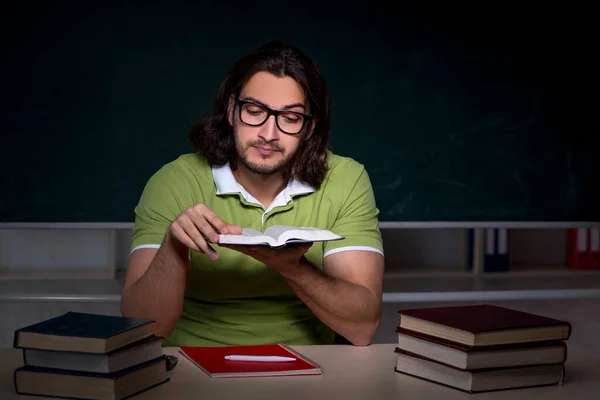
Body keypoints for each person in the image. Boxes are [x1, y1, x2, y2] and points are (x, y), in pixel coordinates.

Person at [120, 40, 385, 347]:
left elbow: (363, 328)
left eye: (290, 118)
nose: (268, 134)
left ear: (309, 129)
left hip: (309, 369)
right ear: (232, 110)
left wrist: (292, 268)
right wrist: (173, 247)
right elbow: (142, 329)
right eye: (255, 111)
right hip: (189, 365)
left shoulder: (346, 179)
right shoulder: (174, 181)